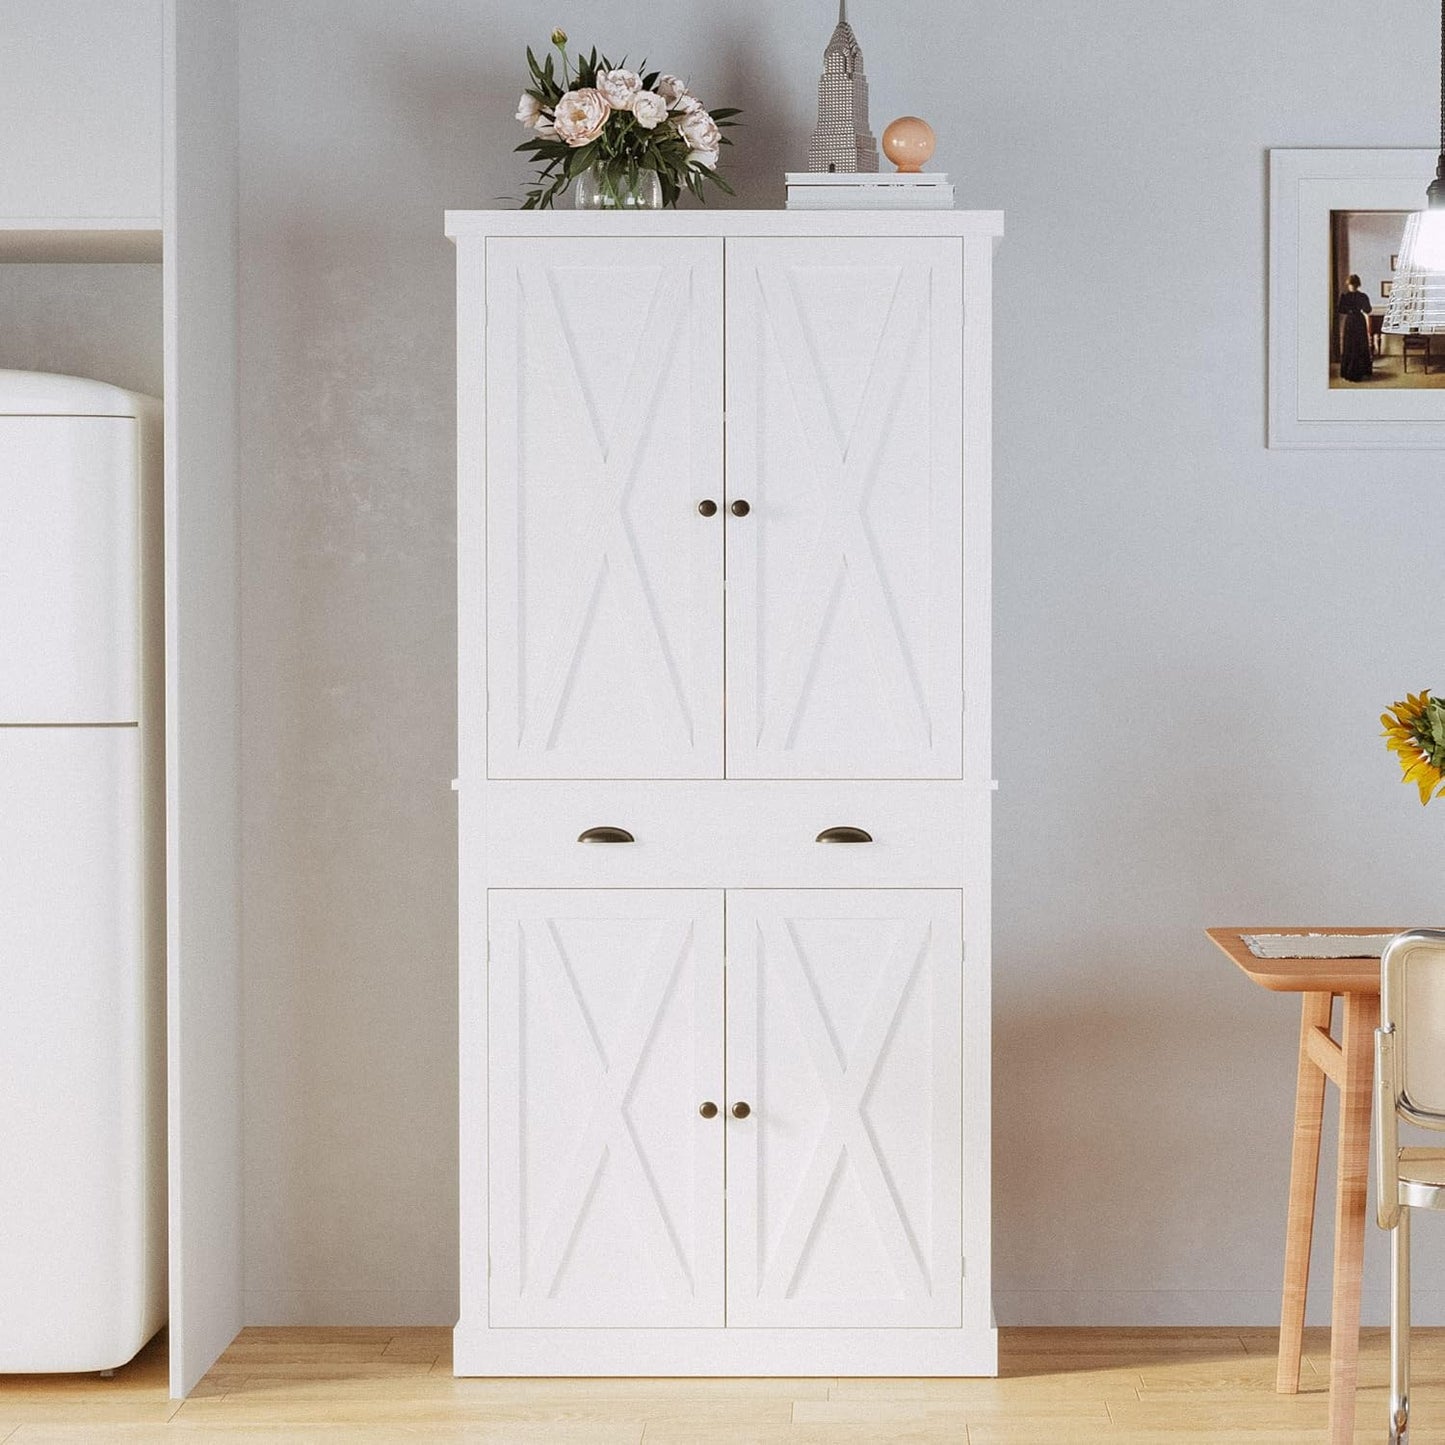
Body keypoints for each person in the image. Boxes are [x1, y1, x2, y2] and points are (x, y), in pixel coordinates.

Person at [1337, 274, 1374, 382]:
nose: (1352, 286)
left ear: (1357, 285)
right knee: (1350, 345)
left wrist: (1352, 309)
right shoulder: (1347, 296)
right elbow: (1340, 310)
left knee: (1359, 345)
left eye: (1353, 284)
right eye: (1350, 284)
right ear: (1348, 285)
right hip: (1353, 321)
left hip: (1356, 321)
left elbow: (1368, 310)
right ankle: (1351, 372)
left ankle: (1359, 371)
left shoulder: (1360, 296)